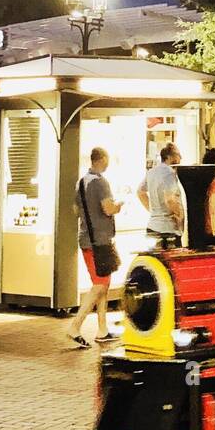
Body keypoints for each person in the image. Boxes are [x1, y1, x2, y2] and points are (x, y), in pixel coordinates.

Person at [68, 147, 125, 348]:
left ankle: (103, 329)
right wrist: (118, 206)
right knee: (100, 284)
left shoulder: (81, 182)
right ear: (101, 160)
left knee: (104, 283)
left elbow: (75, 209)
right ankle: (75, 326)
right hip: (100, 240)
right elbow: (107, 208)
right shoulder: (101, 182)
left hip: (86, 238)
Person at [138, 142, 185, 247]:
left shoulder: (151, 172)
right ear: (169, 157)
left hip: (153, 226)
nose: (180, 159)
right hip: (168, 228)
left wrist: (153, 210)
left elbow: (140, 192)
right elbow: (170, 199)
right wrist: (179, 216)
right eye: (178, 155)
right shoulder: (169, 173)